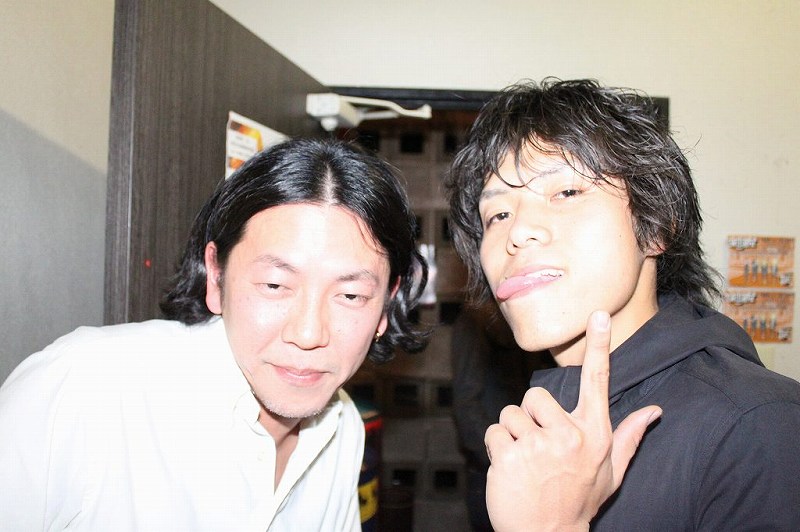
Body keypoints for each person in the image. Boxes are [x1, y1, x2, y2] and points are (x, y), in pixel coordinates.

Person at [0, 138, 428, 531]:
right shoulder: (84, 388)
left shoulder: (342, 428)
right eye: (275, 285)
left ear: (385, 305)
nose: (308, 333)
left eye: (350, 295)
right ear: (216, 276)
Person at [445, 78, 800, 530]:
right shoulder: (546, 419)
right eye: (498, 214)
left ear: (654, 228)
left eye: (566, 193)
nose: (516, 232)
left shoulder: (758, 424)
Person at [450, 301, 553, 531]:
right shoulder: (473, 323)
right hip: (491, 465)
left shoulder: (518, 321)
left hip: (518, 461)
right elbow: (466, 403)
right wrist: (499, 459)